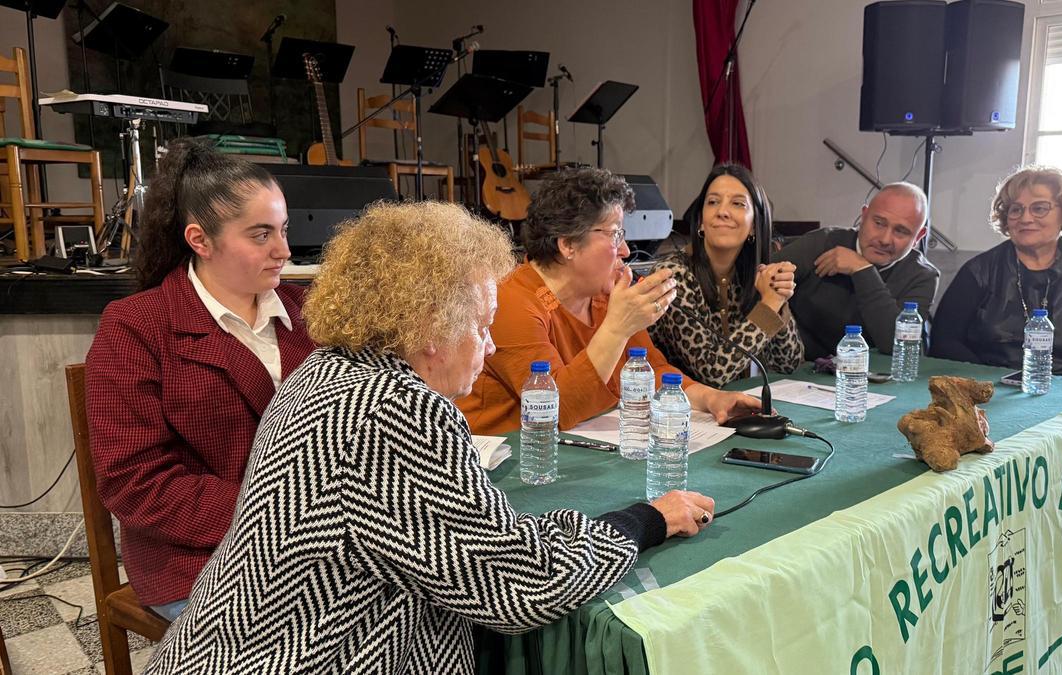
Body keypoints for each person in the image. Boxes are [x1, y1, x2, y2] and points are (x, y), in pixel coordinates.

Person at [144, 202, 716, 673]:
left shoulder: (330, 371)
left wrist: (557, 532)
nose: (490, 347)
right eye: (481, 326)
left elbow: (481, 545)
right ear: (428, 329)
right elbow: (520, 586)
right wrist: (648, 520)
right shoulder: (397, 411)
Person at [84, 138, 315, 621]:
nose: (284, 250)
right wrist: (279, 514)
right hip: (196, 556)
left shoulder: (303, 311)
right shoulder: (136, 327)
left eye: (284, 229)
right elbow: (135, 482)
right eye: (260, 234)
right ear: (199, 240)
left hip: (311, 541)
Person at [456, 167, 762, 434]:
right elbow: (556, 408)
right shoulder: (511, 301)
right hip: (504, 465)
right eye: (614, 235)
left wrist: (712, 398)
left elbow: (650, 370)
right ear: (568, 244)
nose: (626, 250)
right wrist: (617, 328)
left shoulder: (603, 296)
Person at [929, 166, 1062, 382]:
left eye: (1039, 208)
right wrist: (990, 383)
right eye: (1016, 209)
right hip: (988, 389)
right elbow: (945, 342)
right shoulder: (978, 272)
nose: (1025, 218)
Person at [648, 164, 803, 387]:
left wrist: (778, 298)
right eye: (713, 202)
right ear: (701, 220)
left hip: (732, 407)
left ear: (753, 226)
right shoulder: (673, 277)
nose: (722, 211)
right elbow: (712, 371)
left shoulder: (750, 275)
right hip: (674, 411)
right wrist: (768, 304)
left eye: (738, 204)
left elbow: (789, 364)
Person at [773, 182, 939, 358]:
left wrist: (863, 270)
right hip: (798, 368)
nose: (885, 239)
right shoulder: (822, 242)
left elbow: (897, 346)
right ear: (863, 216)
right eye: (879, 223)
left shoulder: (923, 276)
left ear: (918, 238)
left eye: (901, 231)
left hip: (869, 377)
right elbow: (757, 279)